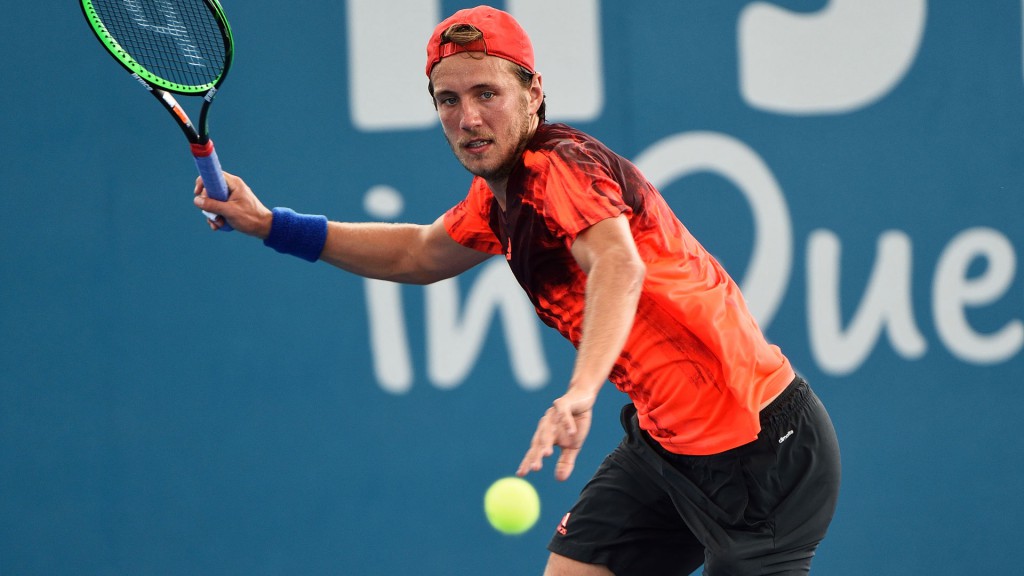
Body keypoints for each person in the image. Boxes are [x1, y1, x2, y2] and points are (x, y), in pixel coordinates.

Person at [192, 5, 841, 575]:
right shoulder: (498, 198)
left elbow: (618, 265)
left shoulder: (559, 165)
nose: (467, 117)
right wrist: (272, 224)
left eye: (486, 92)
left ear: (533, 93)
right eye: (447, 100)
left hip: (763, 453)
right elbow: (419, 253)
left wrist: (580, 394)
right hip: (669, 447)